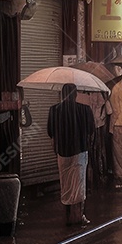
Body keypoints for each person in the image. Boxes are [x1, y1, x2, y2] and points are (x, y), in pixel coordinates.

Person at [47, 84, 94, 226]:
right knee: (79, 183)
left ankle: (68, 215)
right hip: (79, 151)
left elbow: (50, 132)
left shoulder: (54, 110)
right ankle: (79, 215)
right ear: (75, 94)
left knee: (65, 183)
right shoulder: (85, 109)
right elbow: (91, 130)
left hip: (62, 152)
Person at [77, 88, 112, 188]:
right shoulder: (98, 94)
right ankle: (97, 178)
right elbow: (108, 111)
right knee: (97, 152)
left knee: (94, 152)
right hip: (95, 126)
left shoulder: (81, 95)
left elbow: (107, 111)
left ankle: (95, 178)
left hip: (93, 127)